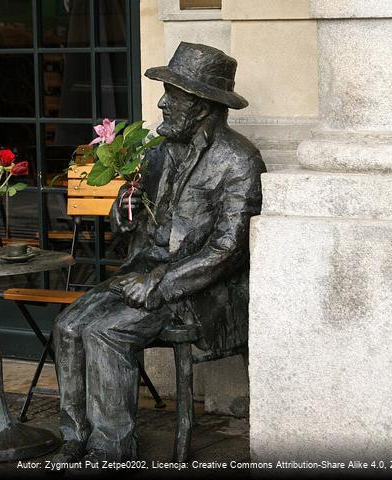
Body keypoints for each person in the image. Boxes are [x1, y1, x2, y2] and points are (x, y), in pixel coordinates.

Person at [52, 42, 266, 465]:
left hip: (193, 289)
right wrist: (123, 209)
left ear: (202, 106)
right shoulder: (156, 150)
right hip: (139, 270)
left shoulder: (239, 160)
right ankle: (75, 436)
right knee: (69, 325)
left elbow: (228, 250)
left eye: (174, 95)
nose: (163, 103)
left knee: (104, 332)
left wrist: (159, 283)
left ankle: (112, 449)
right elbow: (131, 212)